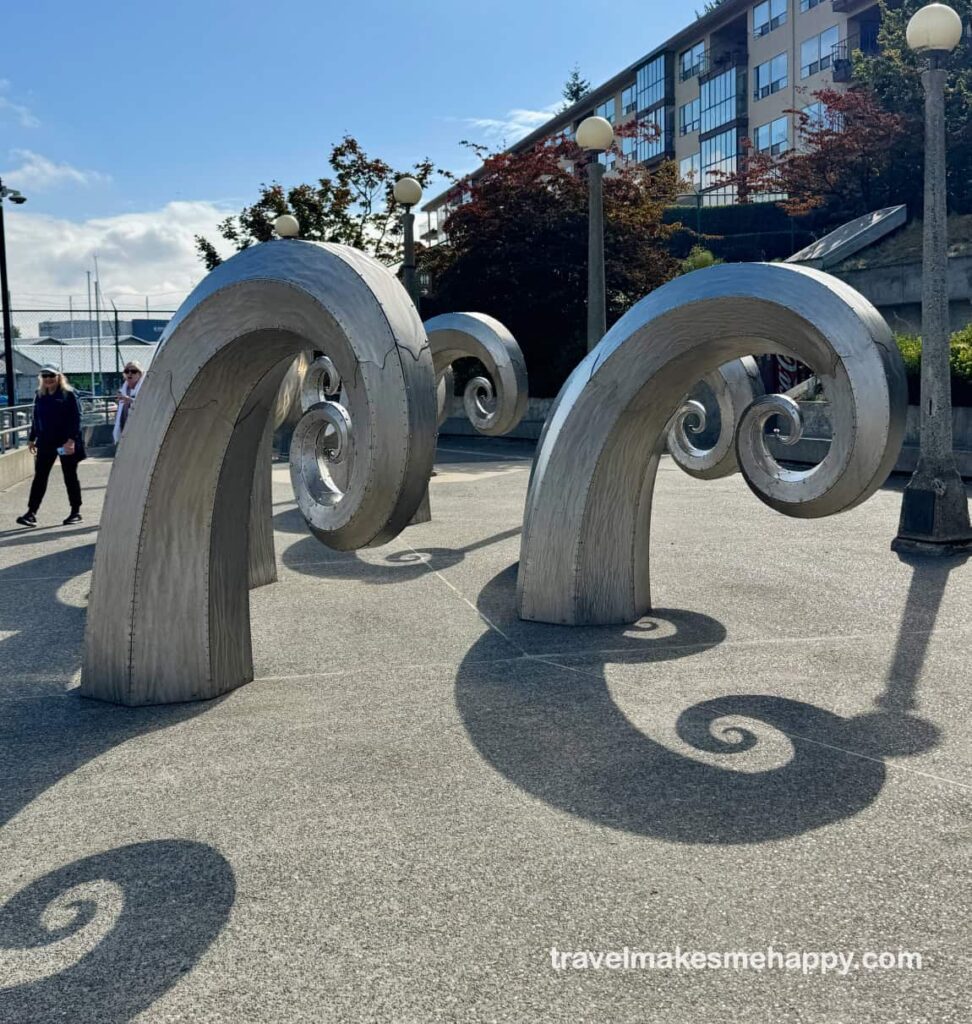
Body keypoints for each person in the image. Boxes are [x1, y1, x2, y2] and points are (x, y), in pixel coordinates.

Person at [16, 366, 86, 528]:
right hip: (46, 441)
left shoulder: (69, 394)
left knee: (70, 476)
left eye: (52, 375)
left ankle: (75, 511)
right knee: (40, 476)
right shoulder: (40, 395)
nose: (48, 378)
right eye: (45, 375)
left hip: (65, 442)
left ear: (59, 376)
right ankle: (31, 512)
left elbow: (76, 418)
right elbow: (36, 418)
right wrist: (32, 438)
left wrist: (71, 440)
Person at [113, 360, 144, 444]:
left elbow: (147, 406)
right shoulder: (123, 390)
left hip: (140, 432)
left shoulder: (145, 389)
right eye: (127, 371)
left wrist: (132, 401)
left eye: (133, 371)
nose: (129, 374)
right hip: (124, 430)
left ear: (140, 374)